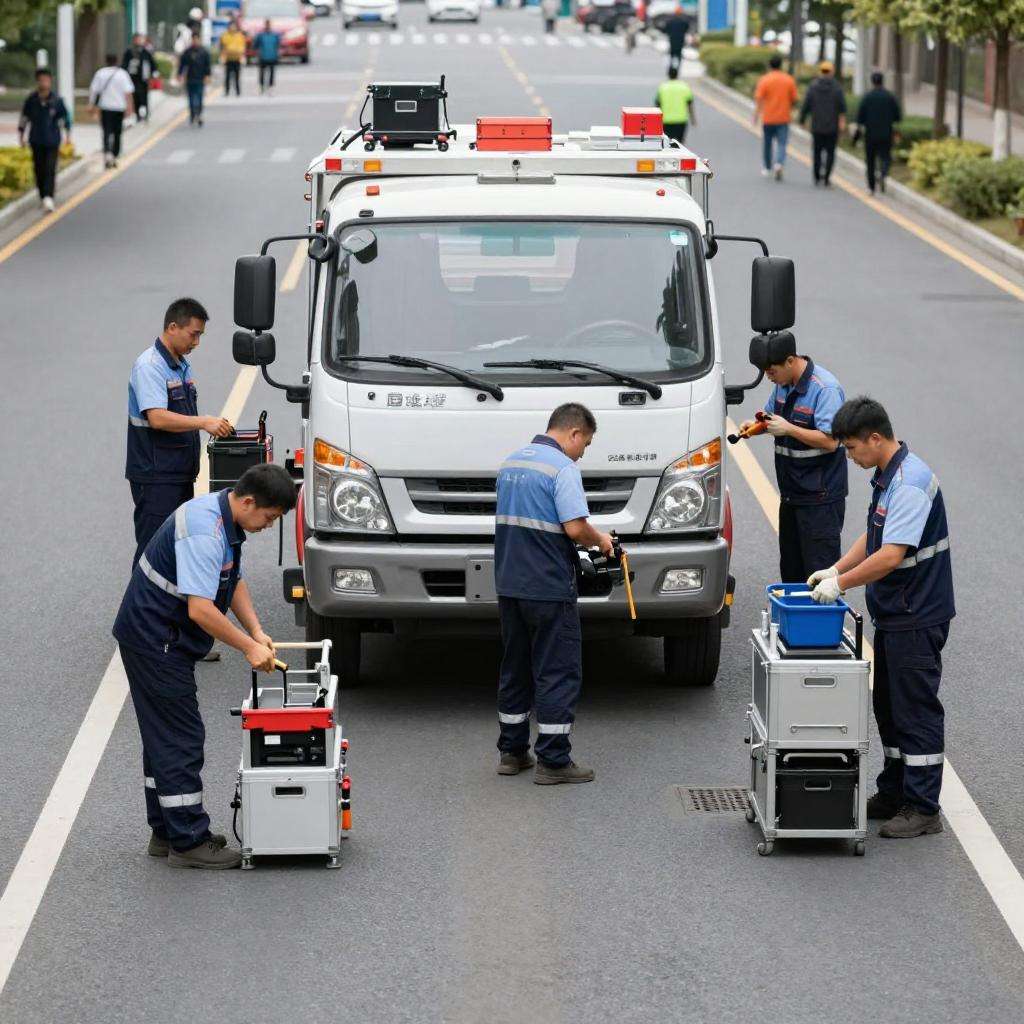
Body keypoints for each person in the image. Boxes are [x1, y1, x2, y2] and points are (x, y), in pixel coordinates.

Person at [112, 464, 297, 869]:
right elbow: (201, 609)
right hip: (155, 639)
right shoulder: (205, 533)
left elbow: (232, 580)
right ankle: (188, 840)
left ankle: (165, 832)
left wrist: (257, 629)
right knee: (180, 737)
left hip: (158, 635)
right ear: (248, 501)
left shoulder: (223, 516)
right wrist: (248, 647)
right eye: (268, 518)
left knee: (163, 736)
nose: (267, 526)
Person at [809, 397, 954, 840]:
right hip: (897, 613)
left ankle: (923, 805)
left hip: (916, 614)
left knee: (914, 711)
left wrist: (844, 583)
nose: (849, 457)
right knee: (888, 708)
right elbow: (874, 535)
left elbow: (890, 555)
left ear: (876, 438)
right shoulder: (889, 477)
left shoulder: (909, 484)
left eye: (852, 448)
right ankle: (894, 791)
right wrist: (836, 568)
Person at [494, 403, 615, 785]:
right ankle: (554, 760)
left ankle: (512, 753)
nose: (583, 452)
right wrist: (604, 541)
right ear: (574, 433)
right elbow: (576, 529)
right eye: (587, 443)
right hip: (547, 586)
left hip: (509, 584)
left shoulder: (512, 463)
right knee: (557, 670)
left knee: (515, 666)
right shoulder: (562, 468)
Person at [126, 298, 233, 569]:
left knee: (174, 550)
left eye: (200, 336)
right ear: (173, 327)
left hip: (176, 474)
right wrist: (204, 422)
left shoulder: (180, 365)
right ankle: (138, 611)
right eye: (193, 334)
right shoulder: (150, 365)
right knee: (152, 552)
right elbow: (158, 418)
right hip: (155, 477)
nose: (196, 342)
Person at [738, 333, 847, 583]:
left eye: (771, 371)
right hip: (791, 495)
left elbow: (831, 441)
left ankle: (823, 623)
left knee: (819, 574)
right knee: (792, 571)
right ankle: (796, 623)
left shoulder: (825, 389)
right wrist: (756, 427)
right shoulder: (782, 384)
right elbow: (769, 416)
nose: (769, 376)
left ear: (790, 361)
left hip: (819, 499)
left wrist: (789, 429)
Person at [17, 67, 70, 214]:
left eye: (46, 80)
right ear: (37, 81)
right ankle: (42, 195)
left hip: (52, 140)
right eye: (41, 80)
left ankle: (48, 197)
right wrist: (21, 137)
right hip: (36, 139)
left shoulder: (57, 101)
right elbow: (24, 119)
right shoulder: (31, 100)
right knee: (39, 169)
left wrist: (68, 137)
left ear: (50, 81)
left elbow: (65, 119)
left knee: (50, 169)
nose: (44, 83)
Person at [800, 61, 847, 188]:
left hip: (817, 126)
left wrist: (802, 120)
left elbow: (806, 105)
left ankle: (816, 177)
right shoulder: (837, 88)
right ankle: (826, 178)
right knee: (831, 152)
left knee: (817, 152)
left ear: (821, 71)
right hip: (832, 127)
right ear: (831, 72)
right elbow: (842, 109)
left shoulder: (813, 87)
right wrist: (842, 125)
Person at [855, 71, 902, 195]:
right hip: (886, 133)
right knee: (886, 157)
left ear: (872, 81)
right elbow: (898, 116)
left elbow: (860, 117)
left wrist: (858, 133)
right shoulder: (890, 97)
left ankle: (871, 187)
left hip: (870, 134)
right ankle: (883, 173)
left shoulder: (867, 97)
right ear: (882, 81)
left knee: (870, 160)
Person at [753, 53, 798, 181]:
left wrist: (756, 116)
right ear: (781, 65)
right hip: (784, 118)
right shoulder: (789, 80)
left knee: (767, 144)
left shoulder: (765, 80)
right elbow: (794, 99)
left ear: (769, 65)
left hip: (768, 118)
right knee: (782, 143)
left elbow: (759, 99)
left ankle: (767, 167)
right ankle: (779, 164)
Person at [88, 54, 135, 169]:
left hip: (105, 108)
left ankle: (107, 152)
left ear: (106, 61)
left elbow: (94, 90)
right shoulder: (122, 74)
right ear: (116, 61)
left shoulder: (100, 73)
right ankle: (114, 154)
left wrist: (91, 105)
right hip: (119, 108)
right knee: (117, 132)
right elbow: (128, 93)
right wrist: (130, 108)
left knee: (106, 131)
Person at [655, 65, 696, 145]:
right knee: (680, 145)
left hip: (666, 121)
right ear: (677, 74)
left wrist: (656, 122)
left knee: (666, 144)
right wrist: (693, 119)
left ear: (668, 74)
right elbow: (690, 104)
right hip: (681, 121)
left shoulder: (663, 87)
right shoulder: (684, 87)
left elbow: (657, 105)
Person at [178, 31, 211, 126]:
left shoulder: (204, 52)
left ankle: (199, 114)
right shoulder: (187, 52)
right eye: (193, 39)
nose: (195, 41)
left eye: (197, 39)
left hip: (200, 78)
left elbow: (207, 66)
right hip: (190, 78)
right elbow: (182, 65)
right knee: (191, 98)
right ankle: (193, 114)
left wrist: (207, 76)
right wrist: (180, 75)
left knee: (199, 97)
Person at [122, 33, 157, 122]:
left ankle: (145, 113)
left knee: (144, 96)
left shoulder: (146, 52)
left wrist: (154, 73)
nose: (139, 41)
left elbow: (152, 64)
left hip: (143, 79)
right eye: (137, 39)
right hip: (132, 78)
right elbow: (124, 65)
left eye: (141, 39)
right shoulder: (129, 52)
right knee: (135, 96)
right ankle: (137, 114)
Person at [220, 17, 247, 97]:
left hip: (237, 59)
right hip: (228, 59)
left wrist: (243, 56)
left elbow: (243, 47)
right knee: (227, 77)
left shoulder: (240, 36)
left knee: (237, 77)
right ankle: (227, 91)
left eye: (234, 26)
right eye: (231, 26)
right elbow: (222, 47)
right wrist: (222, 57)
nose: (232, 28)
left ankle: (238, 91)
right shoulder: (224, 36)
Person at [254, 20, 281, 95]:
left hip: (272, 56)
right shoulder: (260, 35)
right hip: (263, 56)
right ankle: (261, 87)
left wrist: (277, 54)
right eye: (266, 24)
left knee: (272, 73)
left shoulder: (275, 35)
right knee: (262, 73)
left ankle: (270, 87)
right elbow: (255, 45)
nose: (268, 26)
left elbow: (278, 45)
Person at [661, 8, 689, 72]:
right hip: (680, 41)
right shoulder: (684, 22)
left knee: (672, 54)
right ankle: (677, 68)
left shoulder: (670, 21)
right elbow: (687, 28)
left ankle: (671, 69)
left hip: (672, 41)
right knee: (678, 55)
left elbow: (665, 30)